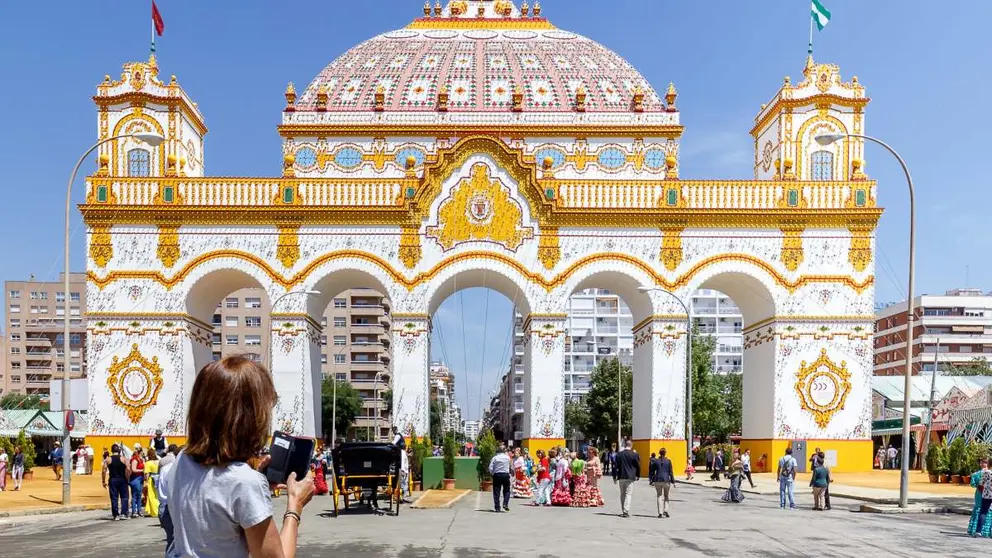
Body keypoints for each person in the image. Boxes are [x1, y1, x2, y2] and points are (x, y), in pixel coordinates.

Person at [163, 356, 316, 558]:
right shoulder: (244, 483)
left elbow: (215, 498)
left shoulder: (183, 459)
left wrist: (254, 481)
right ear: (250, 417)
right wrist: (295, 505)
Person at [102, 444, 131, 521]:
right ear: (119, 450)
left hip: (113, 479)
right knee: (124, 497)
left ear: (111, 450)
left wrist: (103, 481)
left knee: (114, 498)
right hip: (122, 479)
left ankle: (116, 515)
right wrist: (128, 479)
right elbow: (128, 469)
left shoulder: (108, 459)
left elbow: (104, 470)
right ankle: (123, 513)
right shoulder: (124, 458)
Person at [612, 439, 640, 518]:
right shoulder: (634, 454)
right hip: (631, 477)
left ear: (625, 445)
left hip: (621, 476)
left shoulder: (619, 454)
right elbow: (637, 465)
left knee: (622, 494)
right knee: (628, 494)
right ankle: (626, 510)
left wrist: (614, 476)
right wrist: (638, 475)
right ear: (631, 445)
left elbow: (615, 466)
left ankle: (623, 510)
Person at [649, 448, 675, 518]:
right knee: (666, 496)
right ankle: (666, 510)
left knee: (659, 496)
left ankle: (660, 513)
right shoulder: (668, 461)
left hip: (657, 480)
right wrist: (673, 481)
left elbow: (652, 472)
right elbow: (671, 472)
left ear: (659, 453)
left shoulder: (655, 461)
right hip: (666, 480)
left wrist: (651, 480)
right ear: (665, 453)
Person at [968, 458, 989, 536]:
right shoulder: (990, 473)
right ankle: (986, 530)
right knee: (987, 509)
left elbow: (972, 484)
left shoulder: (976, 474)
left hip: (979, 493)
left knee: (979, 508)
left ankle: (976, 529)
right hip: (989, 493)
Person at [489, 446, 512, 512]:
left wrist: (492, 473)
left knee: (496, 491)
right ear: (504, 451)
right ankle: (505, 503)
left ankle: (497, 507)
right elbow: (510, 466)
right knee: (507, 490)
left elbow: (490, 467)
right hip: (505, 474)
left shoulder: (495, 458)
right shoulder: (507, 457)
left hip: (497, 474)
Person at [129, 444, 146, 518]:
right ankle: (134, 511)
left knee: (139, 495)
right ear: (140, 452)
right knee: (135, 495)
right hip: (135, 478)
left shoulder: (140, 459)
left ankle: (139, 511)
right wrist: (142, 470)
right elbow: (133, 469)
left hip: (140, 478)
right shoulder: (135, 459)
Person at [144, 451, 161, 518]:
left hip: (151, 480)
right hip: (159, 478)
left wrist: (146, 481)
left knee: (152, 496)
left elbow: (146, 474)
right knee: (158, 495)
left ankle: (155, 512)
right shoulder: (159, 461)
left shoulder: (148, 463)